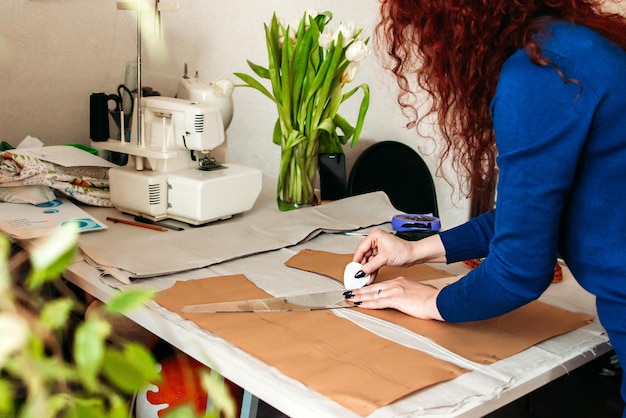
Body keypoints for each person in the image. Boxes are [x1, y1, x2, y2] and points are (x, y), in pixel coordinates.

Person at [348, 0, 626, 413]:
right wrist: (415, 250)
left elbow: (518, 271)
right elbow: (529, 215)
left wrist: (429, 302)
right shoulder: (574, 43)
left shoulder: (539, 72)